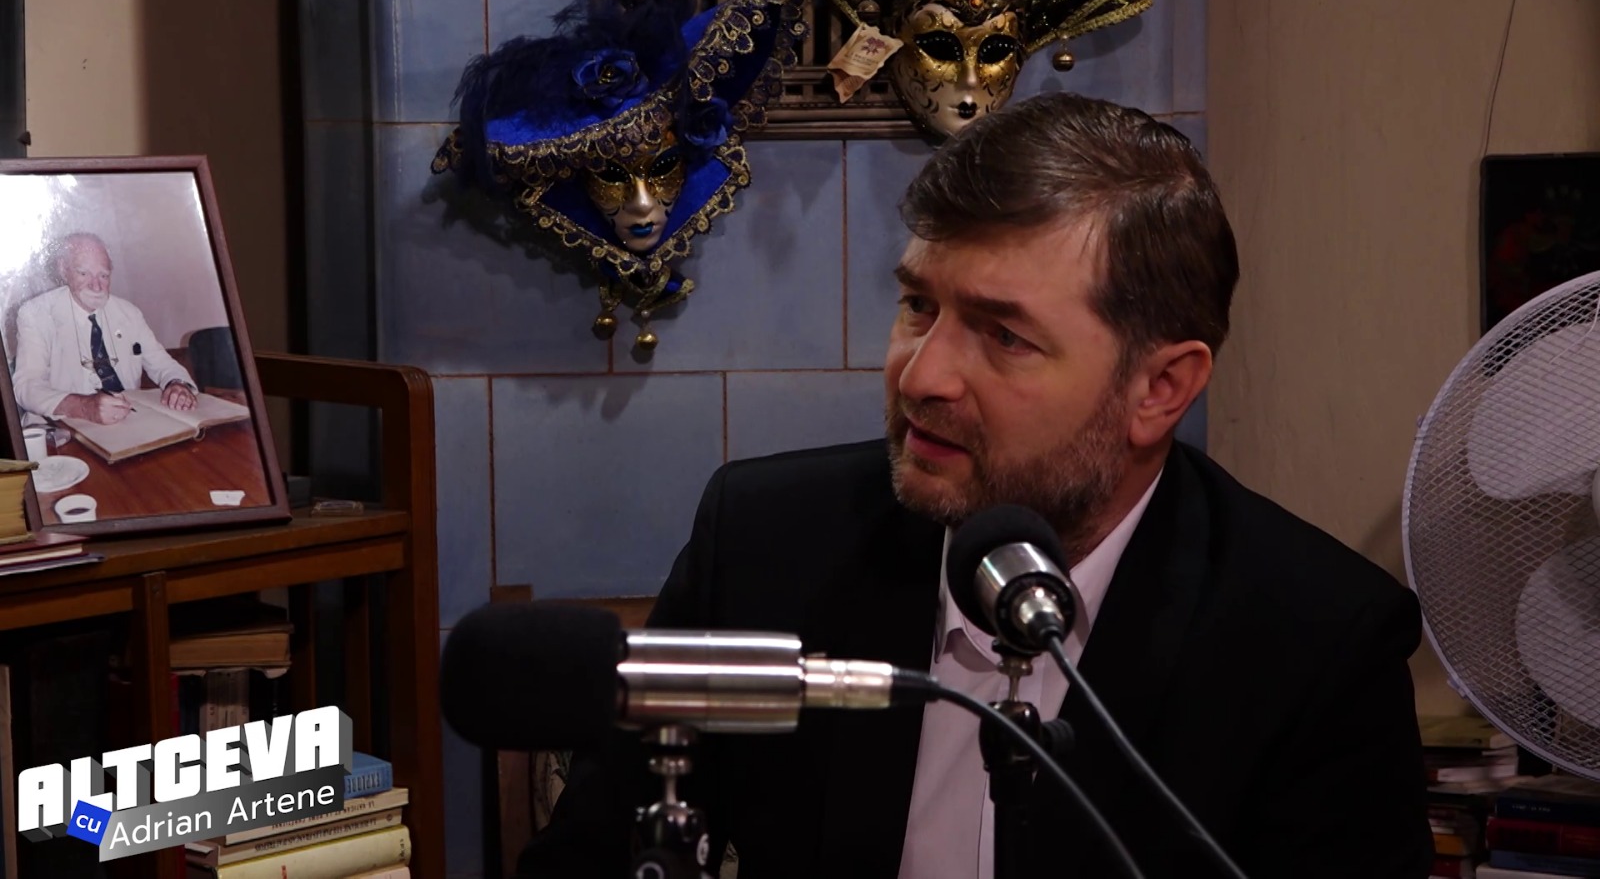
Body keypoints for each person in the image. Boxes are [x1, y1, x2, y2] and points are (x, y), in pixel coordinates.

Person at [518, 93, 1434, 878]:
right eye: (919, 306)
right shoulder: (764, 544)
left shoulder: (1315, 645)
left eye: (1004, 336)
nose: (922, 376)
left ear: (1160, 389)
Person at [12, 232, 198, 426]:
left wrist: (178, 384)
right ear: (63, 269)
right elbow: (27, 387)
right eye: (84, 274)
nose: (96, 286)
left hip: (128, 422)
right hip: (62, 426)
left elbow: (162, 363)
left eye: (103, 275)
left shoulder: (129, 313)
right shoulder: (36, 314)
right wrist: (83, 407)